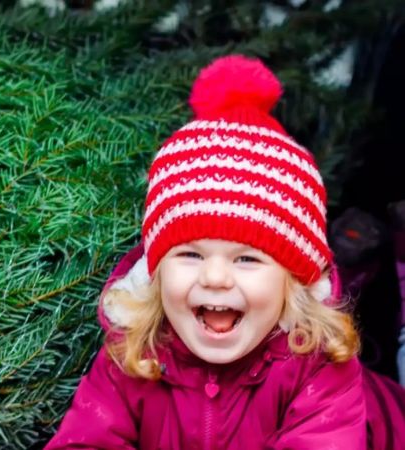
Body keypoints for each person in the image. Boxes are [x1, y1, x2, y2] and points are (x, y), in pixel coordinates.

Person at [45, 54, 405, 450]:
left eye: (247, 258)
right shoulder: (132, 353)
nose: (214, 277)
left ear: (293, 282)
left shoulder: (320, 364)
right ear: (157, 270)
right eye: (190, 255)